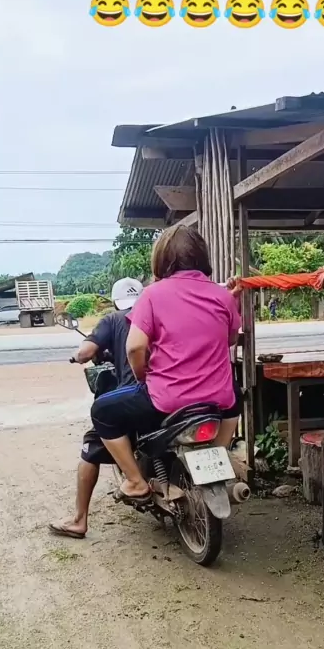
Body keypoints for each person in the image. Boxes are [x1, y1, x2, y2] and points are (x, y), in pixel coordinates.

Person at [91, 226, 243, 504]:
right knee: (235, 396)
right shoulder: (223, 296)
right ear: (202, 256)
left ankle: (135, 481)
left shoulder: (152, 295)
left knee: (101, 411)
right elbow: (231, 339)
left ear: (161, 258)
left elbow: (135, 347)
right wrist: (233, 302)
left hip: (166, 400)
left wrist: (142, 376)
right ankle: (218, 456)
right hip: (217, 400)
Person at [49, 277, 144, 538]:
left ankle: (79, 520)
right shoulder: (155, 315)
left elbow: (85, 352)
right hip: (169, 394)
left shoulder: (112, 320)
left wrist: (77, 356)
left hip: (134, 396)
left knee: (92, 444)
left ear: (115, 300)